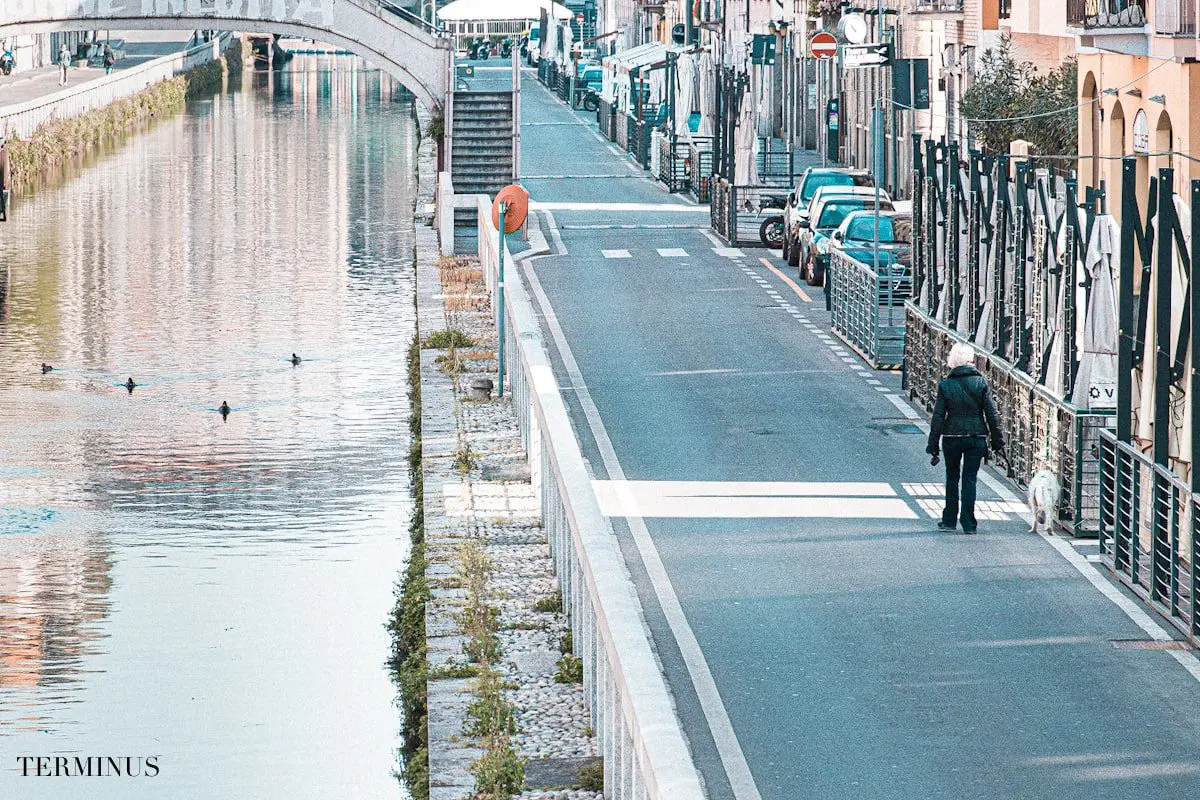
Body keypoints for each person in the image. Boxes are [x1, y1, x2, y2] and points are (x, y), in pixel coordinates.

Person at [926, 342, 1005, 534]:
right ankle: (969, 524)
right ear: (971, 361)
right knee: (970, 479)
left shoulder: (946, 385)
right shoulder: (981, 383)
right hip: (976, 437)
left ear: (952, 361)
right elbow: (991, 414)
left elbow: (938, 417)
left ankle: (949, 520)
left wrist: (933, 445)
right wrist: (997, 441)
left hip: (952, 436)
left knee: (952, 477)